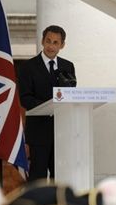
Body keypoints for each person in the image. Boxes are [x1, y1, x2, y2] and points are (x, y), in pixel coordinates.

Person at [18, 25, 76, 181]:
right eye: (48, 41)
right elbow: (25, 98)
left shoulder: (67, 66)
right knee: (38, 177)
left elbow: (70, 93)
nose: (51, 46)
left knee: (61, 176)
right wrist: (49, 105)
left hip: (62, 131)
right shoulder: (27, 67)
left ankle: (59, 204)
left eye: (56, 42)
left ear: (62, 45)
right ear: (42, 41)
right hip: (38, 132)